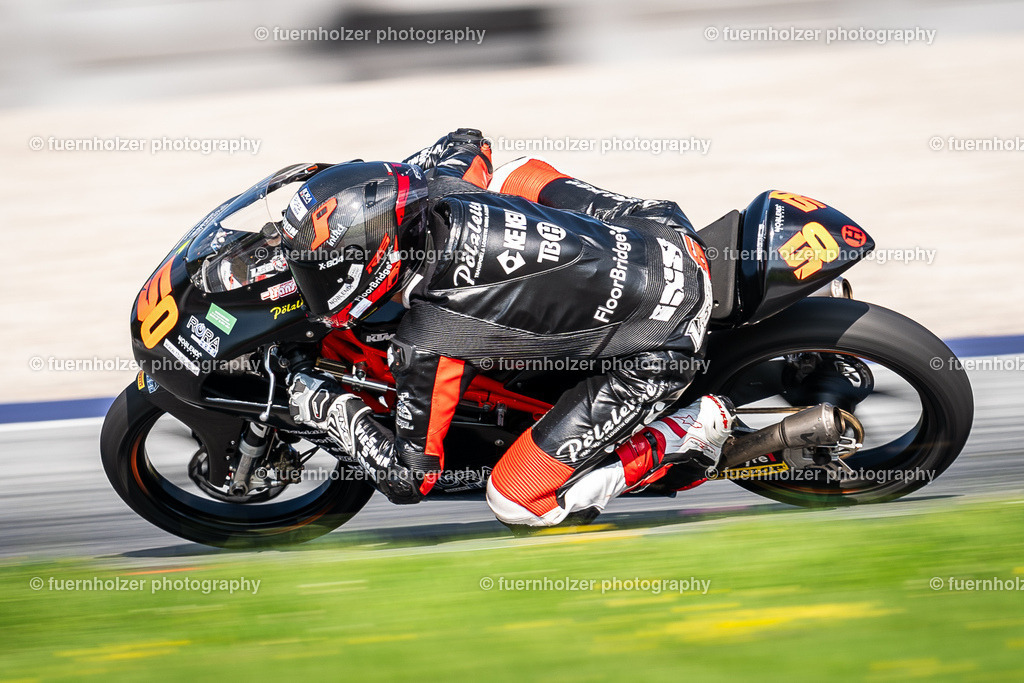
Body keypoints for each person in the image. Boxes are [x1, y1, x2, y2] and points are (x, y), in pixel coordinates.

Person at [283, 128, 734, 529]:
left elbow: (410, 479)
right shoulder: (443, 187)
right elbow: (469, 141)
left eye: (323, 273)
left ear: (377, 260)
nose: (317, 284)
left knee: (517, 502)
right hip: (665, 231)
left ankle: (683, 433)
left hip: (663, 342)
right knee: (511, 174)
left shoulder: (431, 335)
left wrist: (324, 407)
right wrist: (410, 174)